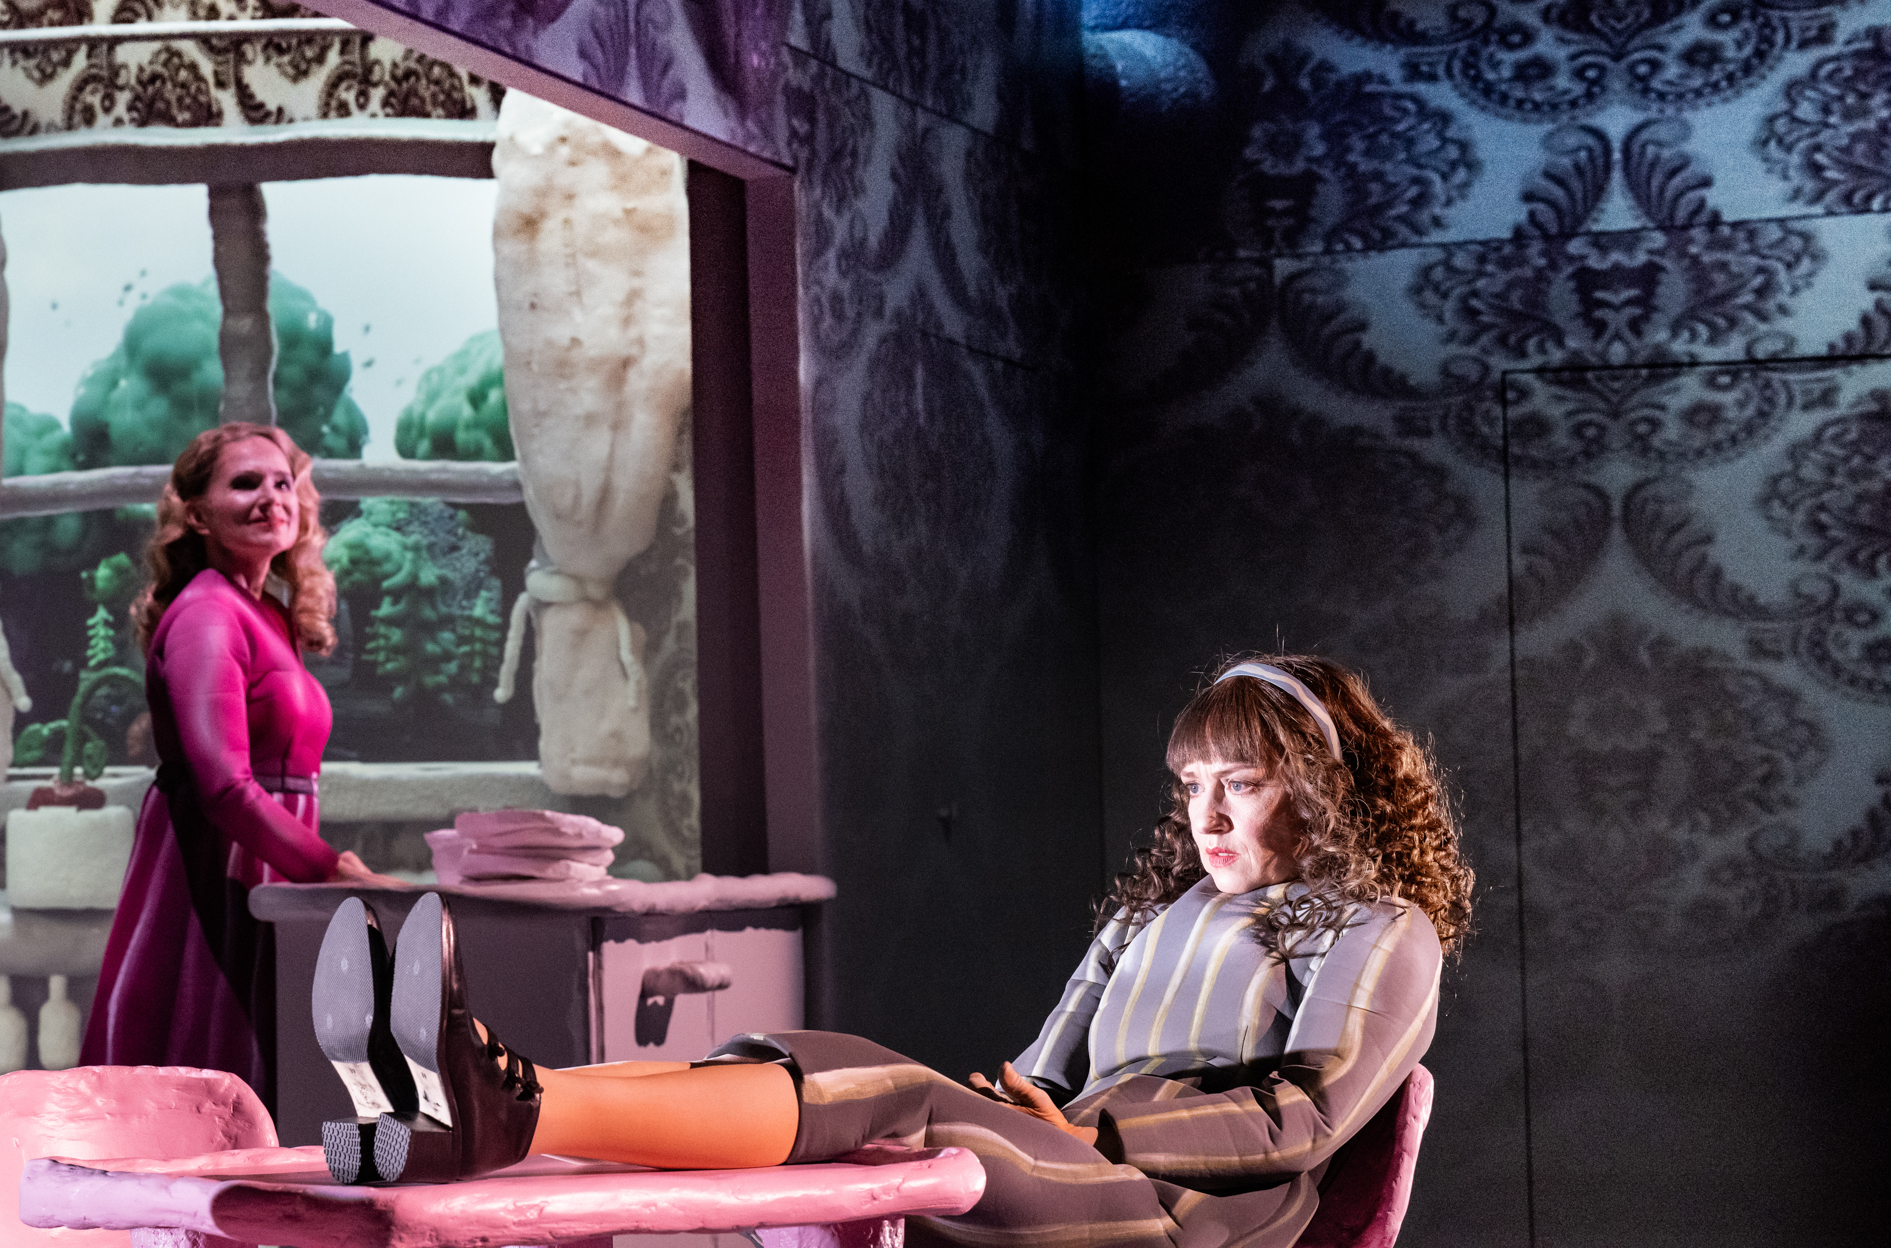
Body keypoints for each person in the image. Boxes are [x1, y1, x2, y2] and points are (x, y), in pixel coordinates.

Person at [334, 654, 1473, 1248]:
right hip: (1076, 1166)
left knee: (898, 1099)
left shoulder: (1379, 929)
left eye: (1243, 783)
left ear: (1322, 789)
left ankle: (502, 1109)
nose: (1207, 816)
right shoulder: (1144, 920)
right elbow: (1044, 1073)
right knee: (819, 1066)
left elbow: (1302, 1114)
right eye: (1191, 785)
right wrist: (1031, 1105)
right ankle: (475, 1107)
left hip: (1189, 1217)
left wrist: (1094, 1127)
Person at [83, 422, 392, 1100]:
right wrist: (330, 868)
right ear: (197, 514)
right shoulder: (207, 612)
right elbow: (223, 787)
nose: (271, 497)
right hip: (216, 872)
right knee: (211, 1074)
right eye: (246, 483)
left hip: (261, 868)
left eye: (282, 482)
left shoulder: (266, 613)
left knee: (265, 1076)